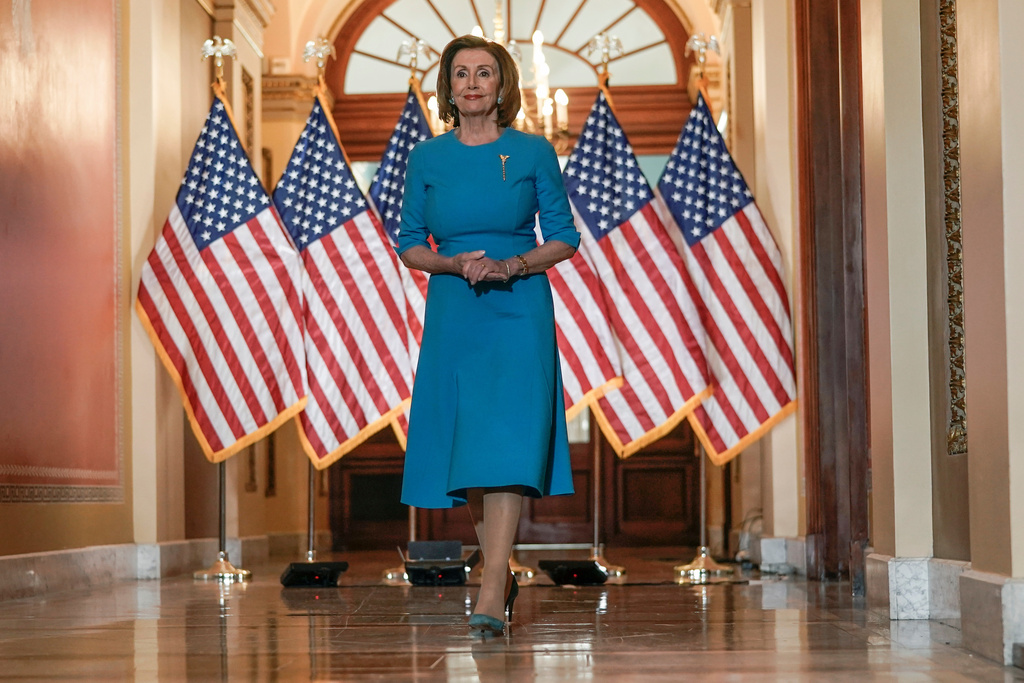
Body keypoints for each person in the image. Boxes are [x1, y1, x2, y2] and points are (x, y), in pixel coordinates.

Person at [396, 35, 580, 638]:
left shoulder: (533, 153)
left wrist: (514, 266)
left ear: (503, 86)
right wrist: (455, 264)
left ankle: (492, 582)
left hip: (518, 306)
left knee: (505, 444)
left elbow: (563, 236)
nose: (472, 83)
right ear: (448, 88)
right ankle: (500, 571)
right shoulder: (426, 157)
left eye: (484, 73)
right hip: (455, 307)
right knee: (469, 450)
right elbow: (411, 242)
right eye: (460, 74)